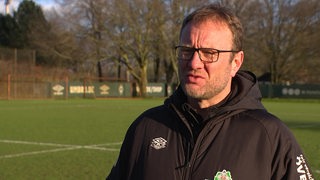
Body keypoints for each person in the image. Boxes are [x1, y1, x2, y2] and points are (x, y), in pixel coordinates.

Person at [106, 4, 314, 180]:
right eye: (187, 51)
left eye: (209, 53)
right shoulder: (146, 127)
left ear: (236, 62)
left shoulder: (269, 135)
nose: (194, 63)